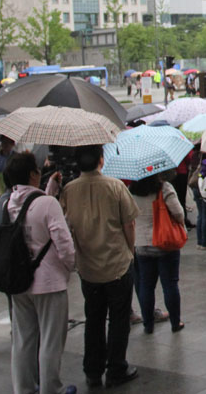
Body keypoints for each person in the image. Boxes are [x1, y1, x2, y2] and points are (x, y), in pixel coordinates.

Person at [58, 145, 139, 389]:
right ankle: (116, 367)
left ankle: (93, 370)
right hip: (117, 264)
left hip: (88, 268)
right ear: (101, 160)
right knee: (118, 319)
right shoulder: (115, 187)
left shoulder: (68, 191)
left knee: (93, 318)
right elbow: (129, 225)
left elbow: (65, 225)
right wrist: (129, 250)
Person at [2, 153, 77, 394]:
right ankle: (51, 389)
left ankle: (24, 388)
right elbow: (63, 244)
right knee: (51, 341)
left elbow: (31, 213)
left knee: (23, 339)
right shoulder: (48, 204)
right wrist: (69, 266)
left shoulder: (9, 203)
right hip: (49, 283)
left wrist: (49, 189)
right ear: (33, 174)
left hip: (19, 281)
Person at [130, 173, 186, 334]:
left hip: (141, 244)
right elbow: (179, 213)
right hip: (165, 243)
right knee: (170, 284)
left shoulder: (131, 190)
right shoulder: (164, 188)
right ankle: (176, 322)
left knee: (146, 285)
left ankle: (148, 324)